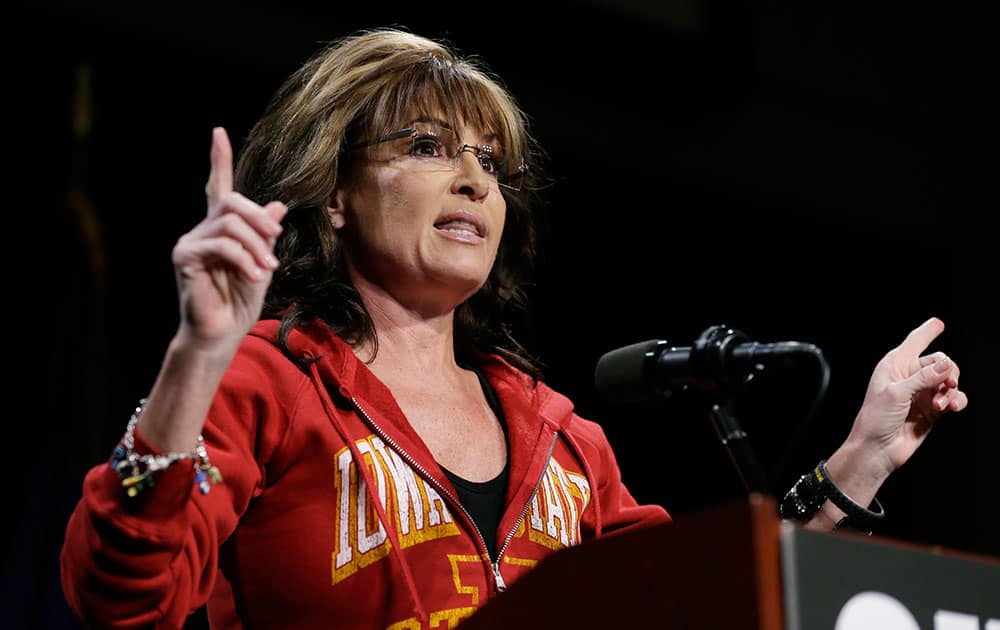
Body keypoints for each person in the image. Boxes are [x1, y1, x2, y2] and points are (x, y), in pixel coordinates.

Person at [59, 27, 968, 629]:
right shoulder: (267, 381)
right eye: (425, 147)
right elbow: (120, 600)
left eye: (489, 162)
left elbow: (707, 609)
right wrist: (196, 357)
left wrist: (862, 461)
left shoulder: (564, 437)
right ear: (332, 195)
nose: (473, 181)